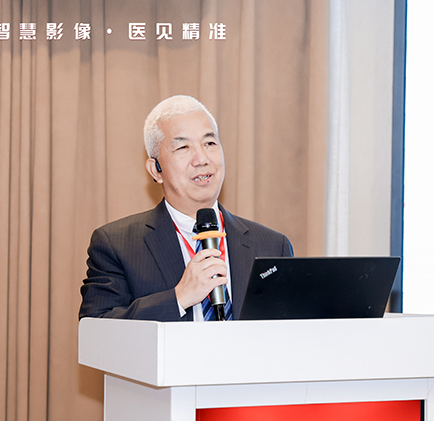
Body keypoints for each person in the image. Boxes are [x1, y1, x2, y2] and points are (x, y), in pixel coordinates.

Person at [79, 95, 293, 321]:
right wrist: (179, 298)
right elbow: (96, 328)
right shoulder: (117, 245)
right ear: (156, 170)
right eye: (183, 147)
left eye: (209, 143)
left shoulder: (272, 246)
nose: (201, 159)